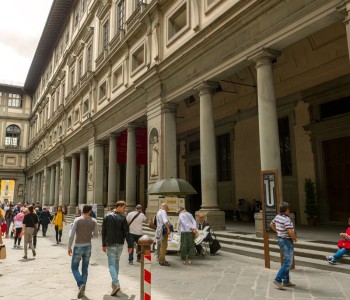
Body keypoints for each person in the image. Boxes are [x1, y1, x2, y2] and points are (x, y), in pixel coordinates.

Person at [102, 201, 132, 296]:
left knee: (112, 264)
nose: (124, 209)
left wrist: (103, 244)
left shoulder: (107, 216)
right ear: (118, 207)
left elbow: (104, 231)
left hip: (110, 244)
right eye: (123, 207)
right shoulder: (123, 218)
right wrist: (130, 245)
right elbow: (127, 233)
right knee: (116, 262)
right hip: (120, 243)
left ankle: (116, 283)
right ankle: (115, 283)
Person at [68, 204, 99, 299]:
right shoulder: (94, 221)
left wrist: (69, 247)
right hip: (88, 246)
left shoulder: (77, 220)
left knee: (74, 267)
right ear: (90, 211)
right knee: (85, 268)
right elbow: (96, 235)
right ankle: (83, 287)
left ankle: (81, 284)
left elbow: (71, 235)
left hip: (78, 246)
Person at [270, 202, 297, 290]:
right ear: (286, 210)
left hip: (280, 239)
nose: (289, 210)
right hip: (286, 240)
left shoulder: (277, 216)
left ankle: (286, 281)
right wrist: (294, 238)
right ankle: (278, 279)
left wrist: (278, 231)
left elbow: (271, 224)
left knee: (286, 260)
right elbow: (290, 231)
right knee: (288, 262)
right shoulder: (286, 219)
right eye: (288, 209)